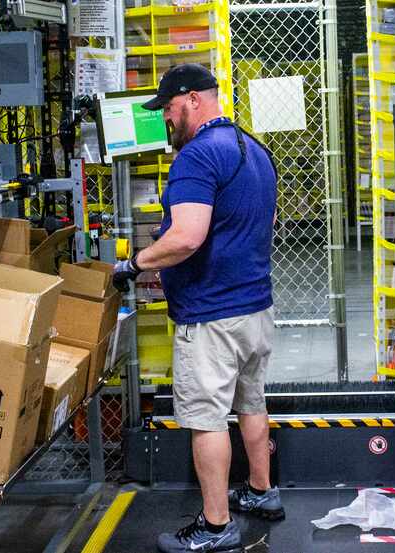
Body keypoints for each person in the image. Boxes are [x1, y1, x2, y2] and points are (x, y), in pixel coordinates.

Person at [112, 64, 282, 553]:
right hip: (254, 306)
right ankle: (261, 491)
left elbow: (186, 237)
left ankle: (215, 526)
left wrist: (135, 263)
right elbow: (266, 218)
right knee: (251, 401)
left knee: (207, 418)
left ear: (190, 100)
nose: (166, 119)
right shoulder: (254, 149)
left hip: (211, 317)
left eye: (167, 108)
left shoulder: (196, 157)